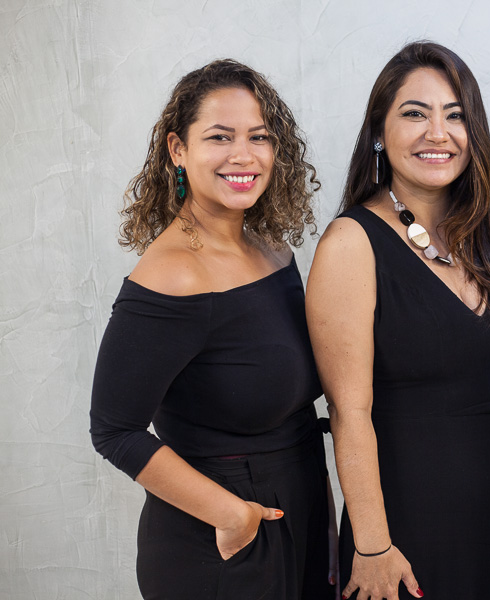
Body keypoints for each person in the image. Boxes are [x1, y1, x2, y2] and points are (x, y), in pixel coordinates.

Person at [90, 59, 336, 599]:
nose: (243, 155)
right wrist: (231, 515)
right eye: (220, 137)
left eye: (259, 137)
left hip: (300, 513)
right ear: (178, 150)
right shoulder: (173, 273)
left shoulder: (272, 250)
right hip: (220, 542)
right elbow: (113, 429)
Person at [306, 41, 490, 600]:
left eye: (455, 116)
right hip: (403, 533)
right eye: (415, 114)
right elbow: (348, 412)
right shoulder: (351, 243)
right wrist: (372, 546)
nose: (439, 133)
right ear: (379, 133)